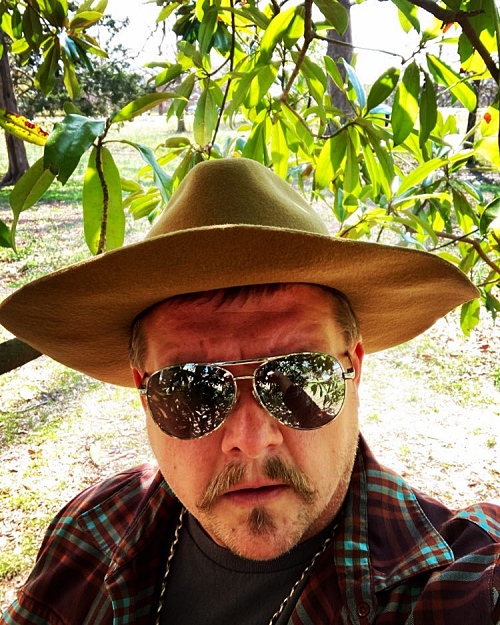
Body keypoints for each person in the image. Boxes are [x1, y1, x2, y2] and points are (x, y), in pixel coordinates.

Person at [0, 158, 498, 625]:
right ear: (142, 391)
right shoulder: (90, 531)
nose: (252, 439)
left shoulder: (460, 581)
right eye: (191, 390)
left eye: (298, 376)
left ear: (354, 368)